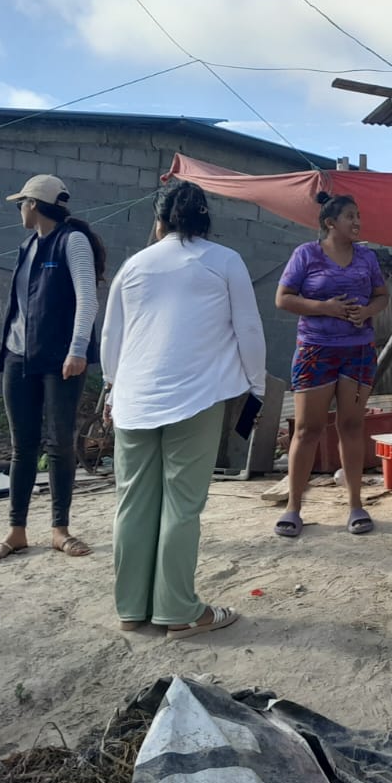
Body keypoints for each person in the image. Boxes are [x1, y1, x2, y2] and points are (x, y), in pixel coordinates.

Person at [100, 181, 265, 638]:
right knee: (181, 504)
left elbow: (112, 335)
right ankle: (178, 611)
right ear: (204, 221)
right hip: (196, 397)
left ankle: (131, 609)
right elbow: (249, 329)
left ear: (160, 221)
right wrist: (255, 386)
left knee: (132, 503)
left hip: (133, 398)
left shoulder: (134, 266)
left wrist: (112, 389)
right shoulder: (224, 261)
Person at [0, 174, 106, 564]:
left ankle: (59, 530)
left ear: (34, 204)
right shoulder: (27, 246)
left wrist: (77, 350)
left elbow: (88, 298)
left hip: (59, 359)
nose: (20, 209)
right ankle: (16, 531)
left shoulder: (72, 240)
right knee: (22, 446)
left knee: (59, 443)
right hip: (18, 356)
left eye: (22, 203)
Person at [273, 192, 389, 538]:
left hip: (358, 352)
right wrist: (326, 308)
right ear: (330, 222)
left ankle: (355, 505)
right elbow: (283, 298)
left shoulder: (367, 257)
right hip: (315, 351)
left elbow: (381, 296)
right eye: (350, 216)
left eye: (358, 216)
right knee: (307, 430)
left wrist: (367, 311)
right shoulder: (306, 255)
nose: (357, 222)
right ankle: (293, 508)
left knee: (351, 426)